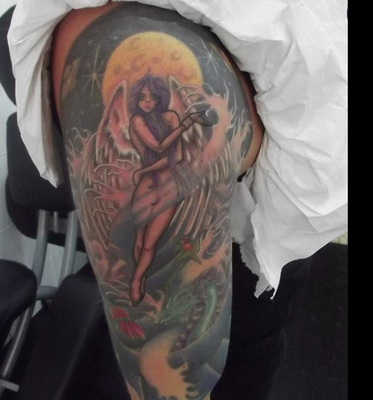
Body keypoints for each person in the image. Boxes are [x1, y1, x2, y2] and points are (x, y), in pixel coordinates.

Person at [49, 3, 265, 399]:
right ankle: (138, 283)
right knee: (141, 241)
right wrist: (181, 129)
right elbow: (161, 149)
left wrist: (185, 126)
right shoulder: (136, 101)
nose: (148, 100)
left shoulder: (167, 114)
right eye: (143, 96)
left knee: (148, 241)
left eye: (153, 95)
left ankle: (137, 280)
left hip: (205, 207)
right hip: (158, 187)